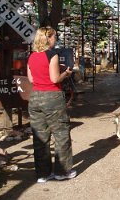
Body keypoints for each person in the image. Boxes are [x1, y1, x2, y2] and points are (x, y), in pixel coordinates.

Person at [27, 26, 76, 183]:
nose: (56, 39)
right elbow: (55, 79)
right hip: (52, 97)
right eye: (54, 36)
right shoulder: (52, 55)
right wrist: (66, 73)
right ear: (48, 38)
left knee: (40, 137)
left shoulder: (32, 56)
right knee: (61, 134)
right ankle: (62, 171)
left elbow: (31, 79)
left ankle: (43, 174)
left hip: (35, 97)